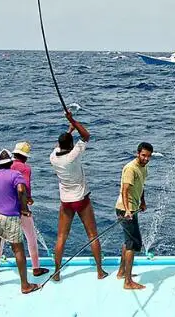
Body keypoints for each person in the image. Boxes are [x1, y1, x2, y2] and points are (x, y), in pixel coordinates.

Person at [49, 111, 108, 281]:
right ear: (71, 145)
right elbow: (86, 136)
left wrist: (70, 129)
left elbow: (63, 141)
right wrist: (72, 120)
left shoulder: (53, 157)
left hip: (66, 202)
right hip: (81, 200)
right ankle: (99, 271)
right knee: (92, 235)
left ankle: (57, 272)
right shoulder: (73, 156)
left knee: (61, 237)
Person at [0, 149, 39, 294]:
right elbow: (21, 190)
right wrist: (24, 207)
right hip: (9, 217)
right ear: (10, 163)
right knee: (18, 249)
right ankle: (25, 285)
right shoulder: (15, 174)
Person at [0, 141, 50, 277]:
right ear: (24, 156)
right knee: (31, 238)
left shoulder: (4, 167)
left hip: (4, 209)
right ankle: (36, 268)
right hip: (20, 209)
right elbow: (23, 188)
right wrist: (28, 201)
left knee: (0, 239)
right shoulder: (25, 168)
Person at [115, 142, 153, 290]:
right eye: (143, 155)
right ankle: (128, 282)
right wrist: (127, 210)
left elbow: (141, 186)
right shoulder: (131, 168)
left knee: (128, 241)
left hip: (133, 208)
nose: (146, 158)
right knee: (133, 243)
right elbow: (125, 190)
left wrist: (142, 202)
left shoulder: (143, 168)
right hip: (125, 210)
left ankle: (121, 272)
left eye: (148, 156)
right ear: (138, 153)